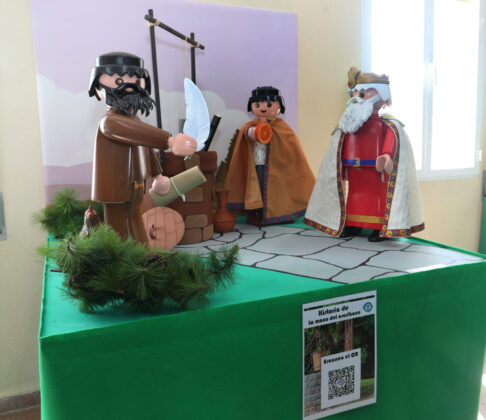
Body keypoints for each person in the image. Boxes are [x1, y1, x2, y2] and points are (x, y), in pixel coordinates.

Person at [304, 67, 424, 241]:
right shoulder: (348, 123)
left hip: (375, 168)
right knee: (354, 195)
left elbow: (391, 140)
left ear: (381, 96)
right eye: (353, 94)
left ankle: (378, 227)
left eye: (362, 94)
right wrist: (339, 165)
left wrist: (386, 155)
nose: (356, 98)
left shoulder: (388, 124)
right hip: (352, 168)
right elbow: (339, 145)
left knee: (376, 197)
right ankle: (353, 224)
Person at [89, 51, 196, 243]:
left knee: (136, 221)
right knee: (119, 229)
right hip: (115, 188)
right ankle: (122, 259)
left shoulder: (135, 121)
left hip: (136, 184)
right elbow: (138, 133)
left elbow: (145, 144)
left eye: (137, 81)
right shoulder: (110, 122)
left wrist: (158, 174)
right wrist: (169, 141)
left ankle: (143, 255)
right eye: (119, 81)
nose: (129, 87)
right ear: (98, 88)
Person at [224, 86, 315, 226]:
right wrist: (253, 132)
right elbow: (247, 134)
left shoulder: (283, 128)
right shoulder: (249, 126)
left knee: (279, 191)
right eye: (257, 105)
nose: (263, 108)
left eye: (268, 104)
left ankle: (283, 212)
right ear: (252, 106)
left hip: (278, 167)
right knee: (258, 189)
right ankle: (258, 213)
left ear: (279, 105)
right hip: (257, 162)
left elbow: (291, 148)